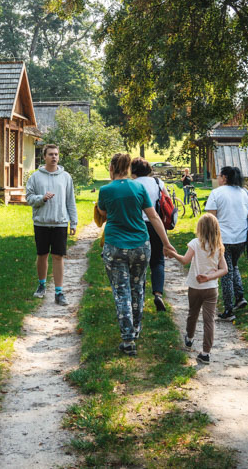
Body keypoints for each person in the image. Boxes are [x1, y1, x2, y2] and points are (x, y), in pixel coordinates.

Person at [96, 152, 173, 355]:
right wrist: (166, 243)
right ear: (129, 168)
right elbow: (154, 216)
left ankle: (128, 339)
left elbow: (103, 213)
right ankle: (136, 329)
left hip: (115, 246)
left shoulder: (105, 190)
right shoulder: (139, 187)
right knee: (137, 287)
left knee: (121, 291)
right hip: (140, 244)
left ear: (112, 168)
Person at [164, 214, 229, 364]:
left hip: (195, 287)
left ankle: (190, 338)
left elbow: (185, 261)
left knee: (192, 314)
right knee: (209, 321)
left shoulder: (195, 243)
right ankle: (206, 353)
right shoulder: (218, 246)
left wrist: (172, 253)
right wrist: (209, 278)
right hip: (211, 289)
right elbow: (224, 269)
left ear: (200, 228)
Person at [25, 143, 78, 305]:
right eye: (50, 154)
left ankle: (59, 292)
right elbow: (28, 198)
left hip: (60, 223)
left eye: (56, 154)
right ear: (44, 157)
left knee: (58, 256)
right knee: (42, 255)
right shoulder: (35, 177)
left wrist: (73, 222)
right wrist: (42, 198)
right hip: (41, 223)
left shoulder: (66, 177)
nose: (54, 157)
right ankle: (41, 286)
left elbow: (71, 201)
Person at [203, 165, 248, 321]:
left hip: (223, 239)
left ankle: (228, 310)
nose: (218, 178)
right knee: (233, 266)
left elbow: (210, 217)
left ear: (224, 177)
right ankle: (240, 297)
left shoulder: (216, 193)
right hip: (241, 238)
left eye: (219, 176)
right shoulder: (244, 192)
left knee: (225, 272)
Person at [130, 157, 168, 312]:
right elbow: (167, 201)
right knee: (158, 260)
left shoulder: (133, 185)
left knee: (139, 261)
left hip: (138, 225)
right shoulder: (158, 183)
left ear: (133, 170)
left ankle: (140, 296)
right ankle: (158, 293)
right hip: (157, 224)